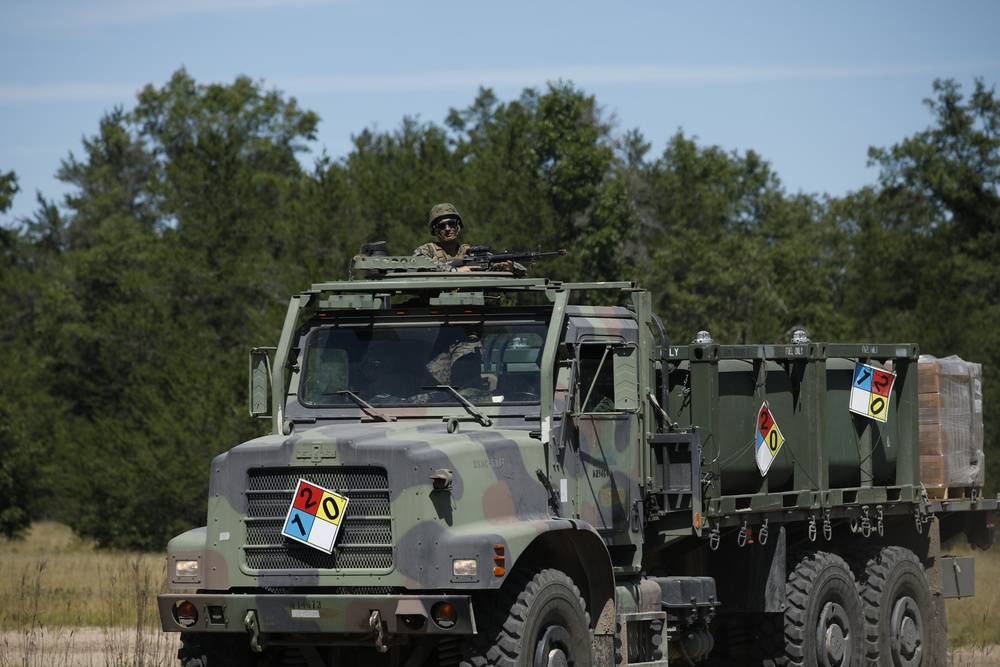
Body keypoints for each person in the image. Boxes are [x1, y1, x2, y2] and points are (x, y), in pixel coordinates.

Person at [413, 203, 526, 276]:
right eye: (442, 226)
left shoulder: (471, 253)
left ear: (458, 226)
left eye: (451, 224)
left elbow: (521, 271)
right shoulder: (429, 249)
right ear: (435, 230)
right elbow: (417, 262)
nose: (447, 229)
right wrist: (454, 271)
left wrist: (509, 269)